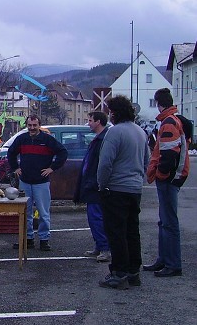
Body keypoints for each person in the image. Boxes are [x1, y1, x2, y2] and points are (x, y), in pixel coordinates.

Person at [96, 95, 150, 289]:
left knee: (116, 232)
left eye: (110, 112)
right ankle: (133, 271)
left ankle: (118, 272)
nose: (109, 115)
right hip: (134, 189)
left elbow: (105, 164)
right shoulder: (140, 132)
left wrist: (102, 186)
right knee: (132, 231)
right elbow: (147, 160)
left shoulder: (115, 132)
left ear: (115, 113)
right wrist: (138, 179)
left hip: (116, 189)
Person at [144, 88, 190, 278]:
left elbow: (169, 154)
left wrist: (161, 174)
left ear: (158, 103)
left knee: (169, 222)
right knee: (165, 220)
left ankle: (172, 263)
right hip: (172, 178)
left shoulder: (169, 123)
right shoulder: (172, 120)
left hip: (168, 180)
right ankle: (164, 259)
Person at [7, 114, 67, 251]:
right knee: (25, 212)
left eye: (34, 125)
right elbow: (11, 153)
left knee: (43, 213)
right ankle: (28, 239)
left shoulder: (47, 140)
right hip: (25, 181)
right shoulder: (21, 139)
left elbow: (63, 152)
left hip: (41, 182)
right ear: (26, 125)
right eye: (29, 125)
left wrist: (52, 168)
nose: (32, 128)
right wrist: (15, 168)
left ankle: (44, 239)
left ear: (39, 125)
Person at [73, 111, 111, 263]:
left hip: (96, 185)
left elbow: (103, 164)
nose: (88, 123)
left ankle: (104, 248)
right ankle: (99, 245)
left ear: (98, 122)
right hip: (91, 183)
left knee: (97, 217)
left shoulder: (103, 140)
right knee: (93, 217)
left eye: (90, 120)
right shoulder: (98, 139)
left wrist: (96, 182)